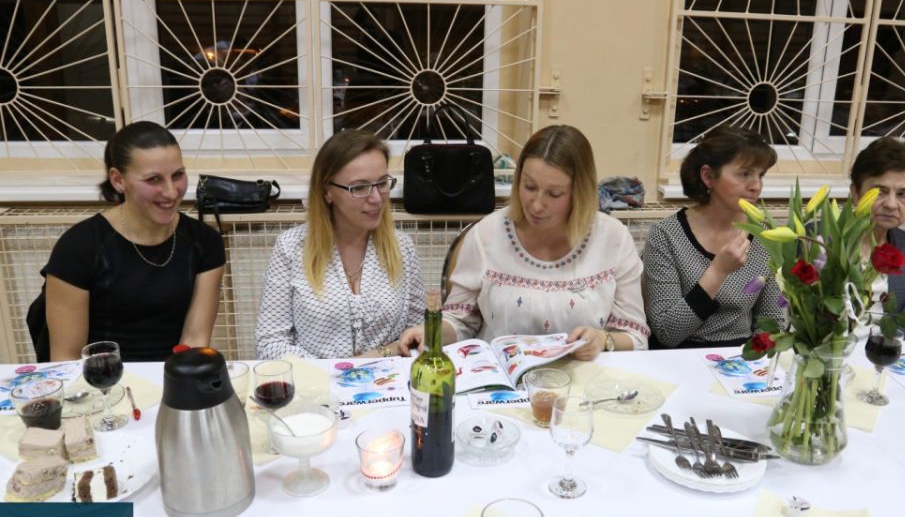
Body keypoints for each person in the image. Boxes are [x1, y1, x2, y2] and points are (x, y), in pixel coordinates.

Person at [399, 125, 650, 360]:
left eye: (554, 194)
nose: (537, 205)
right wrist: (431, 332)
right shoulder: (486, 235)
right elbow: (460, 321)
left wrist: (604, 340)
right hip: (503, 379)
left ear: (579, 192)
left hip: (585, 381)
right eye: (529, 187)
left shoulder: (613, 239)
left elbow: (636, 337)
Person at [40, 121, 225, 361]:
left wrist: (179, 381)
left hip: (172, 375)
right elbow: (67, 357)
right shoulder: (79, 247)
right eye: (153, 179)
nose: (171, 192)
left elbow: (195, 340)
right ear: (118, 180)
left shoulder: (204, 241)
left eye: (178, 175)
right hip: (102, 376)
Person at [256, 129, 425, 359]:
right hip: (315, 380)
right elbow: (269, 344)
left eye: (382, 183)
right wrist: (337, 371)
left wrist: (380, 354)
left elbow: (417, 334)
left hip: (388, 379)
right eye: (360, 187)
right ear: (327, 192)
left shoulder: (402, 247)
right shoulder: (291, 248)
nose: (377, 198)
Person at [642, 125, 781, 348]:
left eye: (760, 175)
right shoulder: (666, 235)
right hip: (678, 355)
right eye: (744, 174)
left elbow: (773, 322)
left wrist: (750, 360)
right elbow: (667, 332)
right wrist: (718, 271)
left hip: (742, 355)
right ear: (708, 176)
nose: (756, 186)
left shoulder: (766, 236)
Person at [850, 137, 905, 329]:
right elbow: (789, 313)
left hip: (884, 347)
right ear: (856, 193)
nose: (891, 204)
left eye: (903, 194)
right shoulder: (817, 239)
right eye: (880, 192)